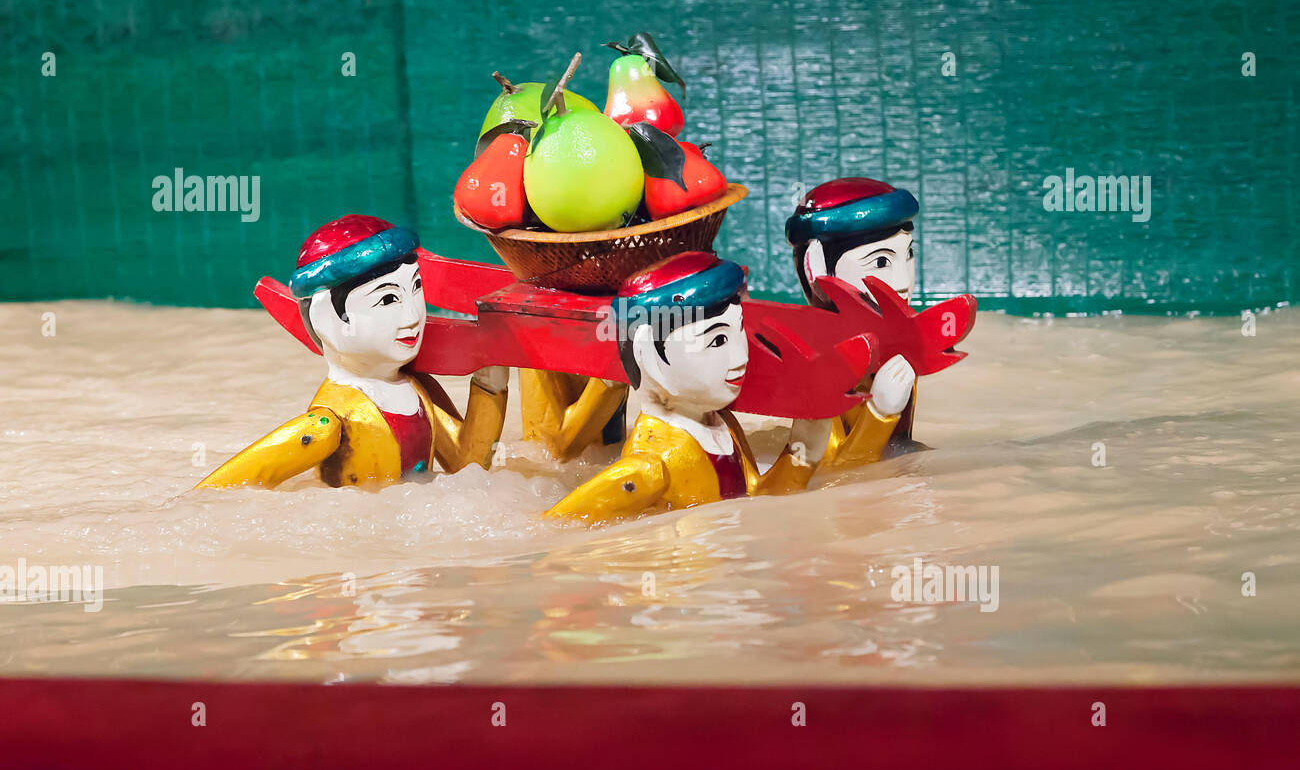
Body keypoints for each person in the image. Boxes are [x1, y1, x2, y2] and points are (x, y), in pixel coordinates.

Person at [196, 215, 508, 489]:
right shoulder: (329, 423)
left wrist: (490, 387)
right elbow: (215, 493)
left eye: (415, 289)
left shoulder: (418, 389)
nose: (413, 315)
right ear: (327, 319)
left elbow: (467, 468)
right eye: (388, 300)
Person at [547, 252, 830, 524]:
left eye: (739, 330)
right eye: (717, 341)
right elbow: (553, 532)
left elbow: (756, 499)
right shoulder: (650, 468)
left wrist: (806, 446)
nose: (741, 358)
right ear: (649, 354)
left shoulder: (721, 424)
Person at [785, 176, 926, 468]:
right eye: (881, 262)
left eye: (909, 254)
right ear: (817, 269)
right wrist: (880, 413)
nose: (904, 282)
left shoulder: (894, 345)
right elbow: (830, 477)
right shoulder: (818, 371)